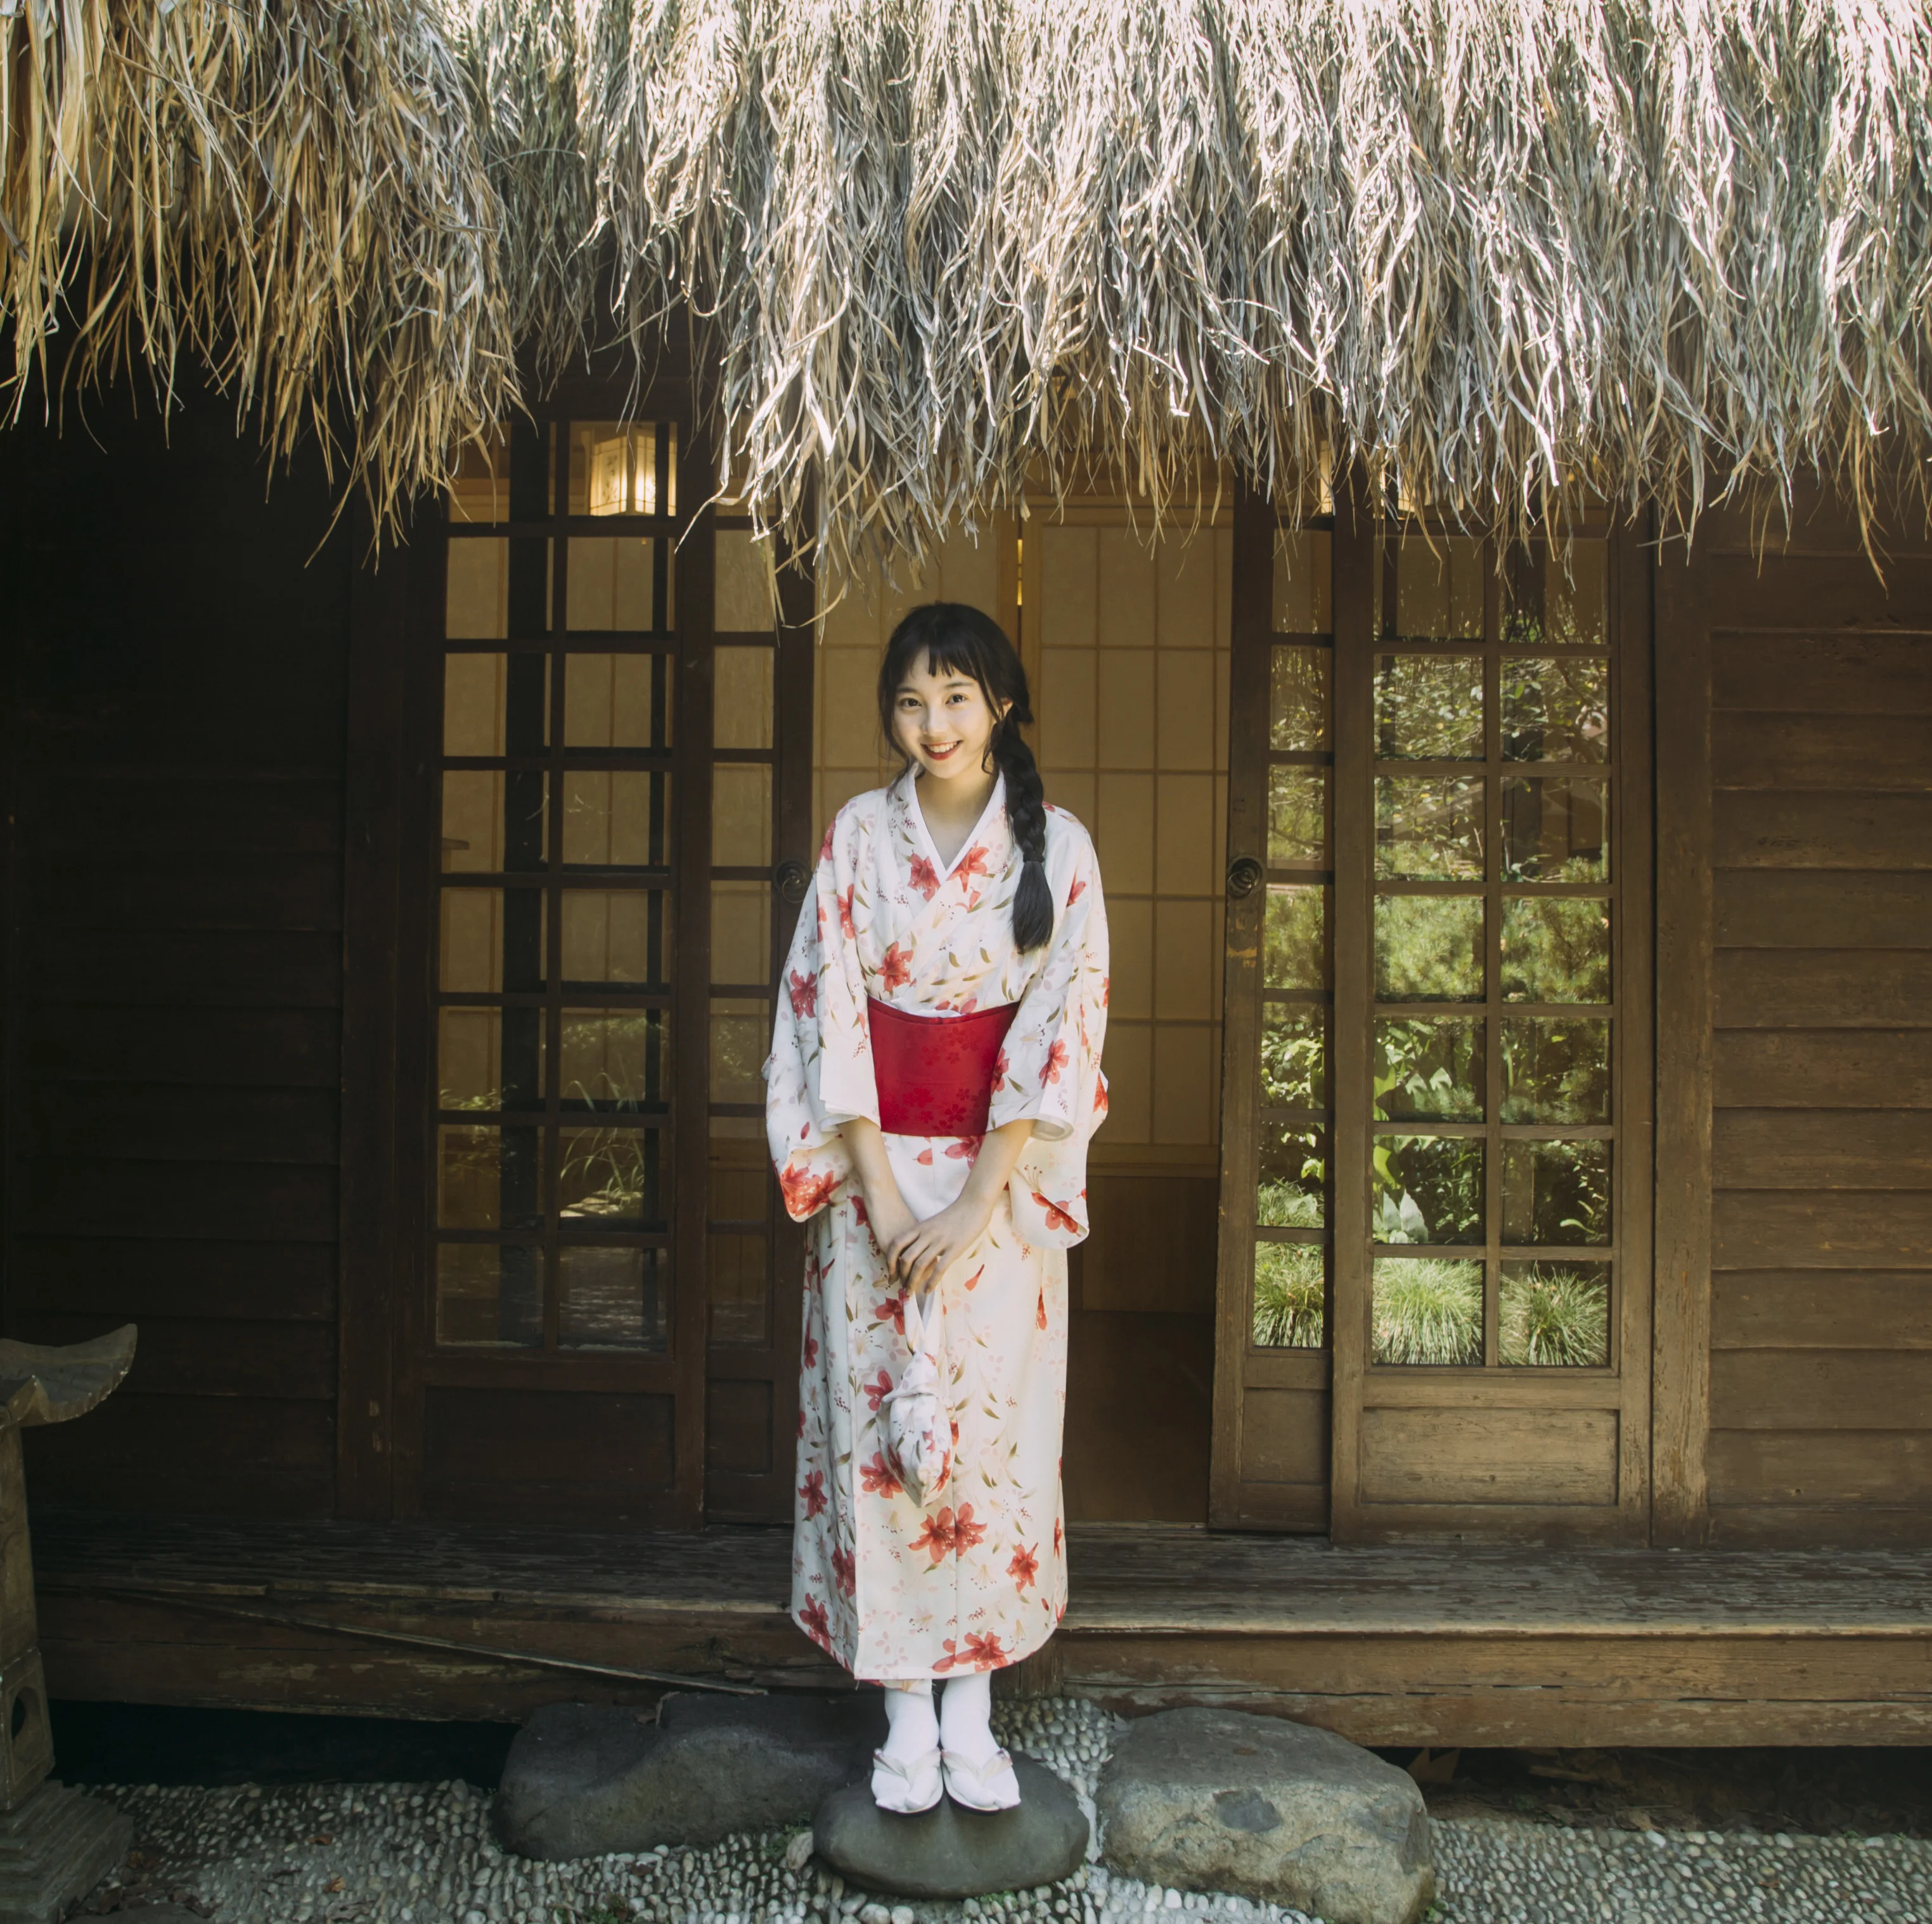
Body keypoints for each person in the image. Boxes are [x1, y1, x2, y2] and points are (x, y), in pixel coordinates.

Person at [764, 601, 1109, 1816]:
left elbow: (1061, 1024)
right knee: (880, 1438)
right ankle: (904, 1709)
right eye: (911, 702)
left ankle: (976, 1706)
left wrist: (974, 1198)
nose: (934, 725)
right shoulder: (860, 836)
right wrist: (870, 1181)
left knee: (997, 1435)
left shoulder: (1057, 847)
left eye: (956, 698)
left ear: (999, 703)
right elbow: (826, 1011)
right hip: (873, 1182)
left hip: (998, 1195)